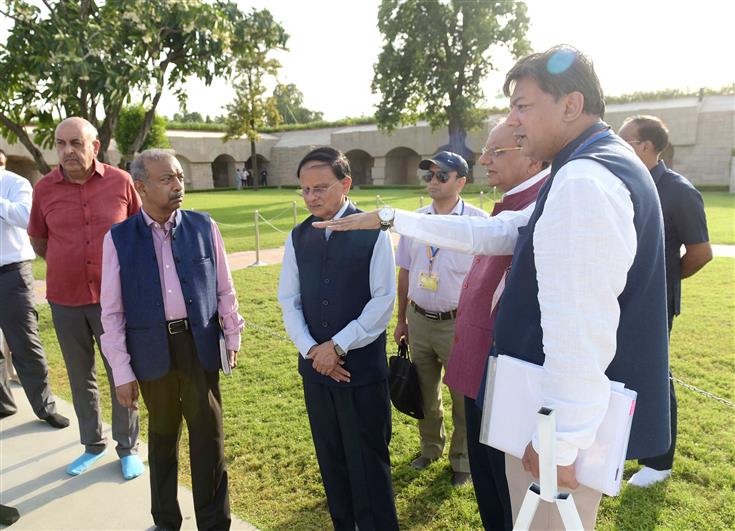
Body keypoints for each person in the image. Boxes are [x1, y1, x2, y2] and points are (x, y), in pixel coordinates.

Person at [315, 45, 671, 530]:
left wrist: (559, 442)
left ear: (570, 104)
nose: (514, 122)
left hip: (560, 429)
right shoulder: (593, 166)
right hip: (559, 416)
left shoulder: (585, 181)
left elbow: (582, 328)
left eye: (522, 106)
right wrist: (394, 219)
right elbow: (501, 232)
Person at [100, 149, 243, 530]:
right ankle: (165, 520)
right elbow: (112, 313)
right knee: (162, 438)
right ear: (141, 187)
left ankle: (214, 522)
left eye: (179, 176)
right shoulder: (118, 239)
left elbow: (224, 288)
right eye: (167, 179)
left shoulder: (204, 226)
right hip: (150, 353)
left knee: (208, 438)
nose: (178, 185)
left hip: (199, 348)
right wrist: (121, 371)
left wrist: (231, 333)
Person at [278, 147, 399, 530]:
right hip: (316, 373)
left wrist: (338, 346)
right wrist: (314, 351)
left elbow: (384, 300)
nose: (311, 197)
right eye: (305, 190)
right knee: (332, 460)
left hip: (361, 373)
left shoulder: (373, 232)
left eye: (320, 188)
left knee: (369, 462)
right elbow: (288, 299)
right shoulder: (297, 237)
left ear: (345, 184)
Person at [444, 123, 549, 529]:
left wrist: (389, 219)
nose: (483, 160)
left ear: (532, 153)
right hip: (478, 370)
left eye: (496, 151)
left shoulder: (541, 201)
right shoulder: (511, 199)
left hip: (504, 376)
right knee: (489, 488)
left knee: (509, 497)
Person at [27, 117, 144, 479]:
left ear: (95, 147)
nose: (67, 151)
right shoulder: (44, 189)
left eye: (76, 143)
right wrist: (70, 262)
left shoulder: (121, 182)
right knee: (81, 377)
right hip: (65, 299)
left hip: (116, 302)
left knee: (121, 373)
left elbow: (139, 232)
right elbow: (39, 240)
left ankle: (128, 448)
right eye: (61, 144)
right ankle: (92, 444)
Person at [619, 115, 712, 488]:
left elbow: (701, 252)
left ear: (645, 147)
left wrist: (665, 279)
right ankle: (619, 447)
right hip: (620, 296)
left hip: (654, 303)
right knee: (621, 372)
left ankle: (659, 462)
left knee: (655, 375)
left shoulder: (677, 190)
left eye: (625, 140)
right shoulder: (623, 181)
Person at [394, 150, 487, 486]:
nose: (433, 181)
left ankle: (462, 460)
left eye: (441, 176)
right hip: (419, 319)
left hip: (458, 324)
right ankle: (430, 447)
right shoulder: (414, 220)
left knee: (462, 396)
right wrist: (401, 320)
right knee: (423, 390)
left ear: (461, 181)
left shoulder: (479, 222)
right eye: (428, 176)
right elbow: (404, 272)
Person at [0, 149, 69, 429]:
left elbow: (25, 217)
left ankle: (45, 407)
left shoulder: (15, 184)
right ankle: (3, 404)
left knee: (25, 343)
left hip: (11, 273)